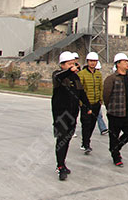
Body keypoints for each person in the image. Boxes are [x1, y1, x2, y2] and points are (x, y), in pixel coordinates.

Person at [51, 51, 92, 180]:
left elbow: (81, 93)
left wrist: (88, 106)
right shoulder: (57, 75)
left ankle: (62, 163)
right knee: (61, 140)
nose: (72, 66)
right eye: (69, 64)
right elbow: (58, 78)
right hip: (61, 115)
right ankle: (60, 166)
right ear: (62, 65)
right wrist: (70, 71)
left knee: (67, 139)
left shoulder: (75, 77)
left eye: (73, 64)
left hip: (73, 113)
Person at [103, 53, 128, 166]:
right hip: (115, 112)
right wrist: (110, 108)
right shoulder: (111, 79)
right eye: (124, 61)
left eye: (127, 61)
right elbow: (106, 96)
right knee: (114, 135)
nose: (127, 63)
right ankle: (116, 157)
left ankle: (116, 147)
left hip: (127, 111)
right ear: (118, 64)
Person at [77, 52, 103, 154]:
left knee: (92, 124)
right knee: (86, 124)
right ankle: (86, 144)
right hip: (86, 104)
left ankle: (86, 141)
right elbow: (79, 90)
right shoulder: (82, 74)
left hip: (96, 103)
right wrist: (81, 103)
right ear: (87, 62)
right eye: (91, 61)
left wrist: (100, 100)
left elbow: (101, 88)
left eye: (95, 61)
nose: (93, 63)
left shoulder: (98, 74)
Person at [95, 61, 109, 135]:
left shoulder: (99, 76)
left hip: (96, 99)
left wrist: (100, 98)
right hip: (87, 100)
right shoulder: (84, 74)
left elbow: (100, 88)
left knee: (99, 114)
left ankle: (103, 128)